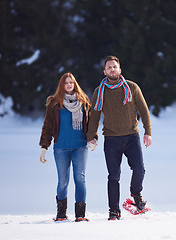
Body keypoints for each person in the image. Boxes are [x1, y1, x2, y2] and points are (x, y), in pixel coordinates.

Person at [87, 55, 152, 220]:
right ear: (105, 71)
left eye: (114, 66)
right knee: (113, 176)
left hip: (132, 136)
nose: (112, 69)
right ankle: (114, 211)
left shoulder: (131, 87)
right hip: (111, 139)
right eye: (109, 67)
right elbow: (94, 115)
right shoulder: (99, 91)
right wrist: (91, 136)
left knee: (139, 169)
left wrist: (148, 132)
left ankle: (136, 196)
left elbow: (144, 110)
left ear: (120, 69)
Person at [39, 72, 96, 222]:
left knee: (80, 179)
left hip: (80, 147)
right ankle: (61, 214)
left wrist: (92, 139)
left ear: (75, 84)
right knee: (63, 181)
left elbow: (90, 123)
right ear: (62, 85)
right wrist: (44, 147)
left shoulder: (84, 102)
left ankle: (80, 215)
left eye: (71, 82)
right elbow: (48, 127)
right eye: (66, 83)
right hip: (61, 148)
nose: (69, 85)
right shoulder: (54, 103)